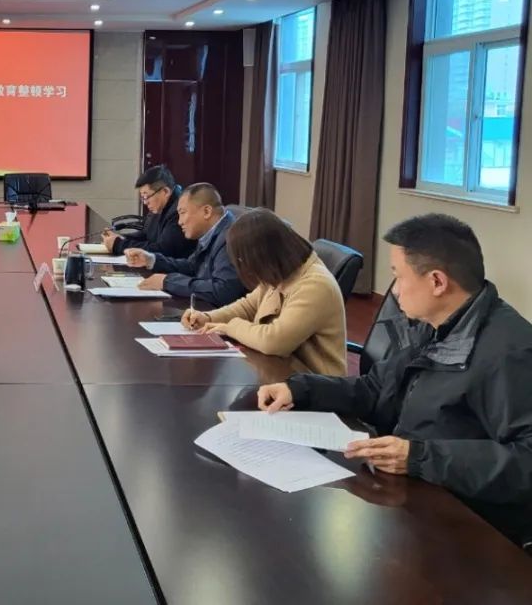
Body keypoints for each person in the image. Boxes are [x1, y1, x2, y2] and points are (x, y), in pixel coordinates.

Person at [257, 214, 532, 548]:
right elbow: (377, 389)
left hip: (469, 529)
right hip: (410, 493)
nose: (395, 290)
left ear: (437, 282)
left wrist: (420, 457)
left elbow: (525, 460)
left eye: (398, 276)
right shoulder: (434, 325)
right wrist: (301, 388)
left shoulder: (509, 352)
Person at [183, 208, 346, 376]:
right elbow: (247, 306)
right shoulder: (281, 272)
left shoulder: (315, 285)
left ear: (263, 256)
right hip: (282, 373)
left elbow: (274, 341)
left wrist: (230, 327)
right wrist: (208, 317)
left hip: (314, 384)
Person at [124, 183, 246, 307]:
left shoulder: (230, 237)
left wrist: (168, 282)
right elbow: (192, 266)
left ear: (206, 211)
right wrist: (152, 260)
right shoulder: (212, 231)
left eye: (182, 213)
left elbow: (223, 290)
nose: (179, 222)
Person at [102, 166, 194, 259]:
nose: (145, 202)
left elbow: (164, 250)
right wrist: (121, 238)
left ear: (165, 192)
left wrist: (119, 245)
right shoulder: (158, 207)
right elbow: (146, 235)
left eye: (146, 196)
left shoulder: (179, 211)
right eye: (142, 197)